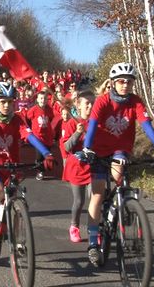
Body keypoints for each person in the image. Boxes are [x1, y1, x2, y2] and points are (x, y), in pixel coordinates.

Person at [82, 62, 154, 265]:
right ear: (113, 83)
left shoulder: (136, 102)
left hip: (120, 150)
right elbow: (92, 127)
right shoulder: (102, 102)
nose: (125, 85)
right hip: (98, 150)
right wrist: (87, 149)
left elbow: (147, 126)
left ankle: (122, 207)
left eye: (129, 82)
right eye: (121, 81)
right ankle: (93, 242)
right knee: (97, 193)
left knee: (118, 177)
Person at [0, 82, 56, 226]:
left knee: (16, 201)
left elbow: (30, 136)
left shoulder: (17, 119)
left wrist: (47, 153)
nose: (6, 105)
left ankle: (18, 243)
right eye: (3, 102)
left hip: (11, 164)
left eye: (10, 102)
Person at [62, 90, 95, 243]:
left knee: (94, 198)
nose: (90, 106)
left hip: (93, 165)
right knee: (79, 201)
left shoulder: (96, 122)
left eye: (92, 103)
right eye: (87, 103)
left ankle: (94, 228)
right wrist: (77, 133)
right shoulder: (71, 123)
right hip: (77, 167)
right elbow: (67, 147)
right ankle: (74, 226)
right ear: (79, 105)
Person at [26, 91, 55, 180]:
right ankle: (39, 172)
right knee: (39, 156)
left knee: (46, 156)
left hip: (47, 137)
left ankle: (43, 170)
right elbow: (27, 119)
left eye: (45, 98)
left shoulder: (49, 109)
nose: (43, 100)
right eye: (41, 98)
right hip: (38, 137)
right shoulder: (33, 110)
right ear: (37, 100)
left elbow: (51, 118)